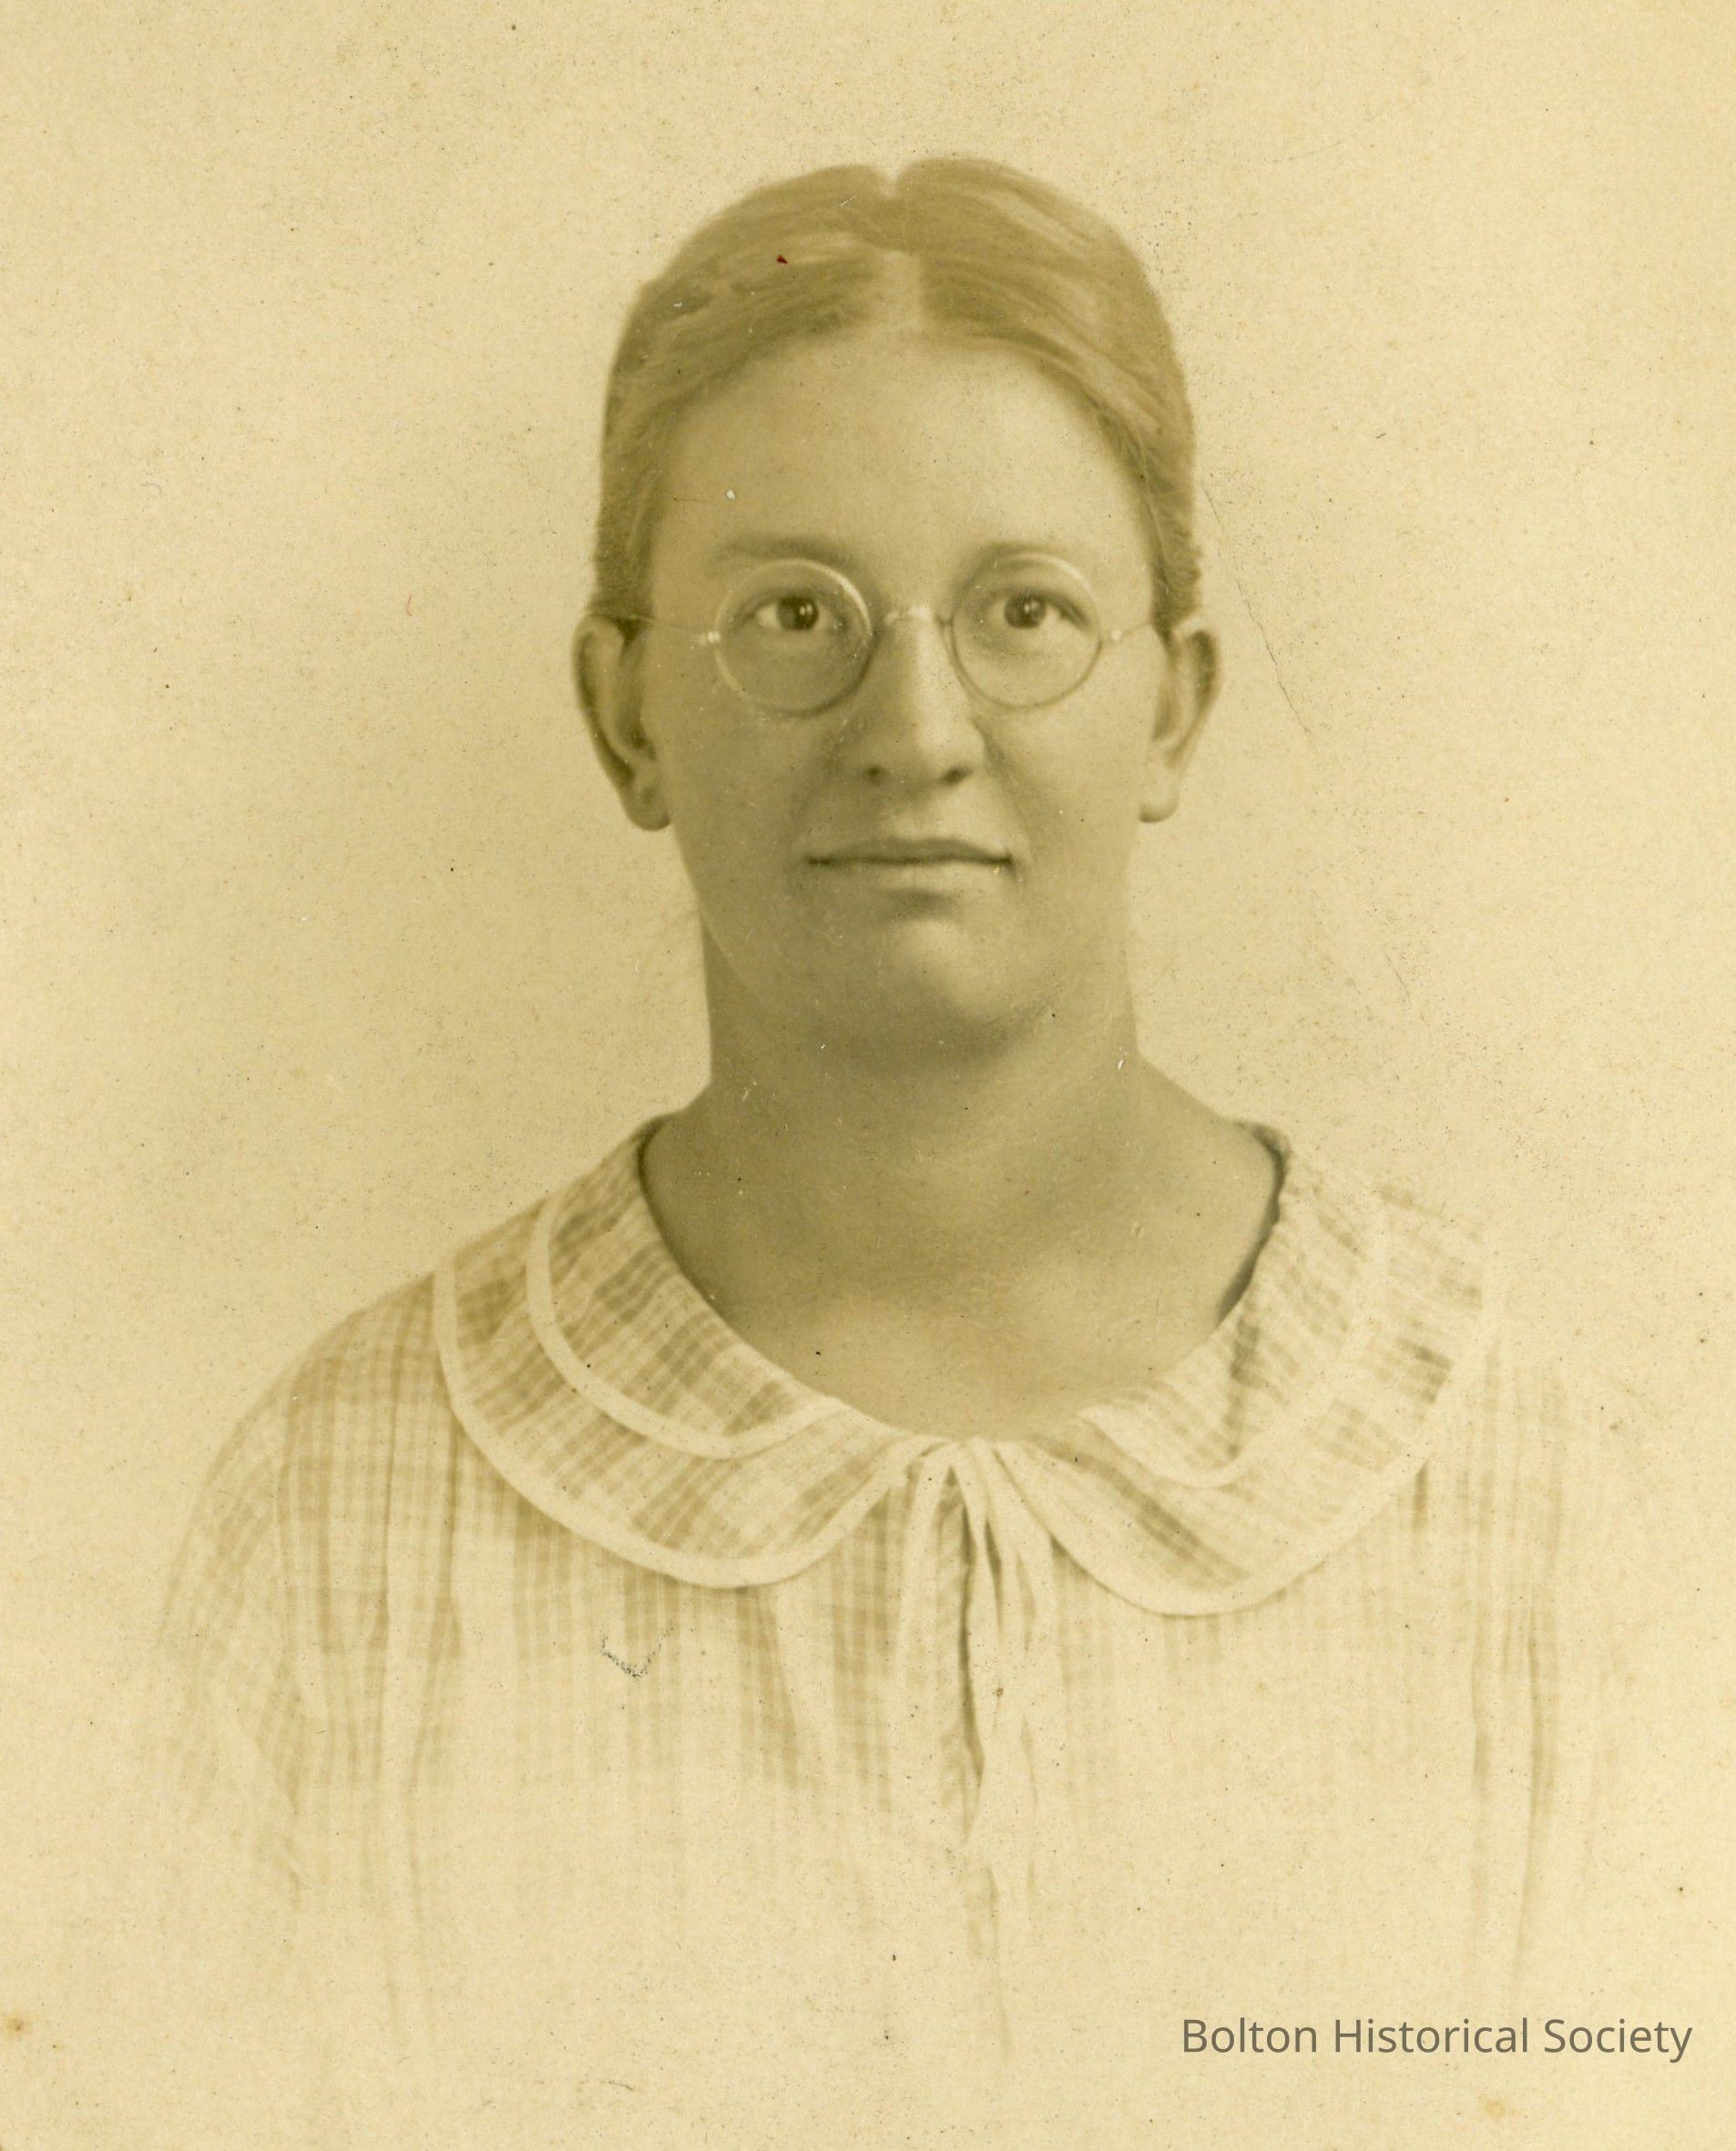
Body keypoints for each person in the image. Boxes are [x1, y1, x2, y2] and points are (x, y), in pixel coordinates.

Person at [138, 158, 1654, 2148]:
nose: (915, 727)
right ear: (623, 711)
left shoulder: (1520, 1488)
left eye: (1025, 612)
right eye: (794, 614)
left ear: (1174, 708)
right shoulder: (344, 1517)